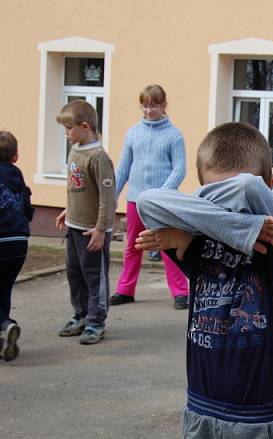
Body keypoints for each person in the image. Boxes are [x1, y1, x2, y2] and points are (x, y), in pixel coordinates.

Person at [134, 122, 273, 439]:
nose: (226, 211)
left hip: (259, 426)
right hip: (201, 418)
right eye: (211, 197)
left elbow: (248, 190)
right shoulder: (196, 241)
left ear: (271, 180)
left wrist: (236, 223)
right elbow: (148, 201)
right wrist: (225, 226)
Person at [111, 84, 189, 309]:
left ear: (164, 105)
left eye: (153, 105)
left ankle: (180, 292)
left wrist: (161, 195)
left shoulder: (174, 135)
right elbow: (123, 168)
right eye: (144, 106)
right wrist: (112, 197)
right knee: (133, 246)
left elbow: (179, 169)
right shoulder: (133, 133)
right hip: (135, 200)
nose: (149, 110)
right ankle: (125, 290)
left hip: (161, 203)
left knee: (167, 246)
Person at [55, 100, 116, 345]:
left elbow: (107, 197)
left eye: (69, 128)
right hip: (74, 225)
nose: (67, 133)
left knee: (95, 276)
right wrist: (67, 210)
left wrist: (101, 229)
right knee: (74, 273)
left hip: (93, 230)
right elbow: (76, 188)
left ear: (85, 126)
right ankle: (80, 314)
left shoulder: (98, 157)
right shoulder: (76, 150)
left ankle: (96, 321)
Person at [0, 131, 34, 362]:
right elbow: (28, 211)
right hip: (19, 244)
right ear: (16, 156)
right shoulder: (18, 176)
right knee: (4, 290)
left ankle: (6, 324)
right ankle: (4, 340)